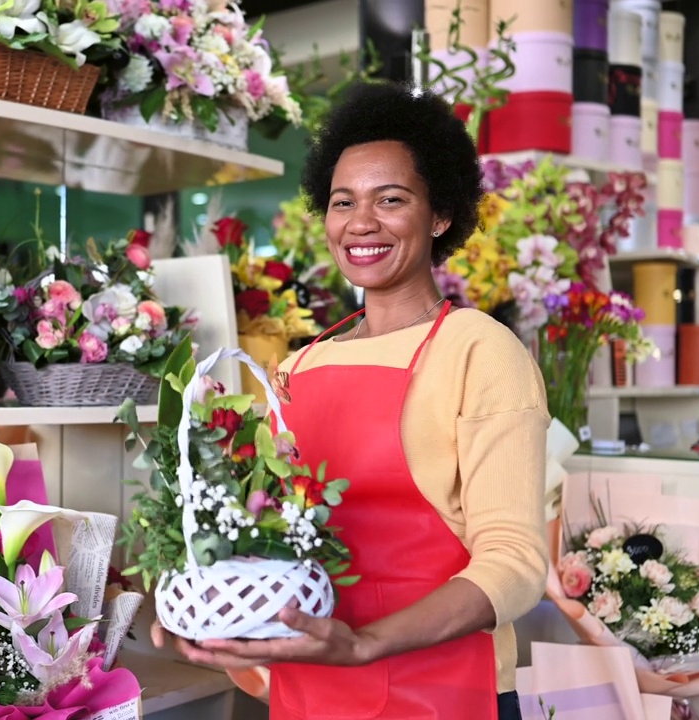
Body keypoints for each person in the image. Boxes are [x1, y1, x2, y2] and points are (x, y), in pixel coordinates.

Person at [154, 83, 549, 719]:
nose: (361, 222)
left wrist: (366, 644)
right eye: (343, 202)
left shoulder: (480, 349)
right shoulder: (301, 363)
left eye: (390, 200)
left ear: (440, 213)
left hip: (445, 688)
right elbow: (271, 536)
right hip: (313, 687)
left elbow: (517, 563)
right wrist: (214, 616)